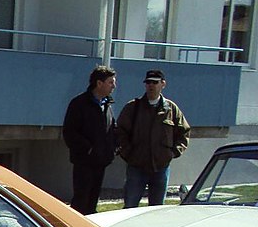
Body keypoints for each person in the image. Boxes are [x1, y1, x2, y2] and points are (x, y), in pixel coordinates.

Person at [116, 68, 191, 208]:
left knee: (156, 210)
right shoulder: (133, 107)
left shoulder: (171, 109)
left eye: (155, 82)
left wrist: (173, 152)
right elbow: (120, 132)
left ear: (163, 84)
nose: (151, 85)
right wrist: (127, 153)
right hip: (136, 167)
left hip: (160, 168)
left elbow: (184, 132)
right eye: (148, 82)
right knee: (130, 207)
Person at [62, 65, 118, 214]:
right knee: (81, 201)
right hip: (84, 162)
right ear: (99, 83)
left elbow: (112, 129)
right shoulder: (79, 104)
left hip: (101, 161)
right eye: (110, 82)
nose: (114, 86)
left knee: (93, 202)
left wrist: (112, 149)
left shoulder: (107, 104)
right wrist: (88, 148)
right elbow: (70, 132)